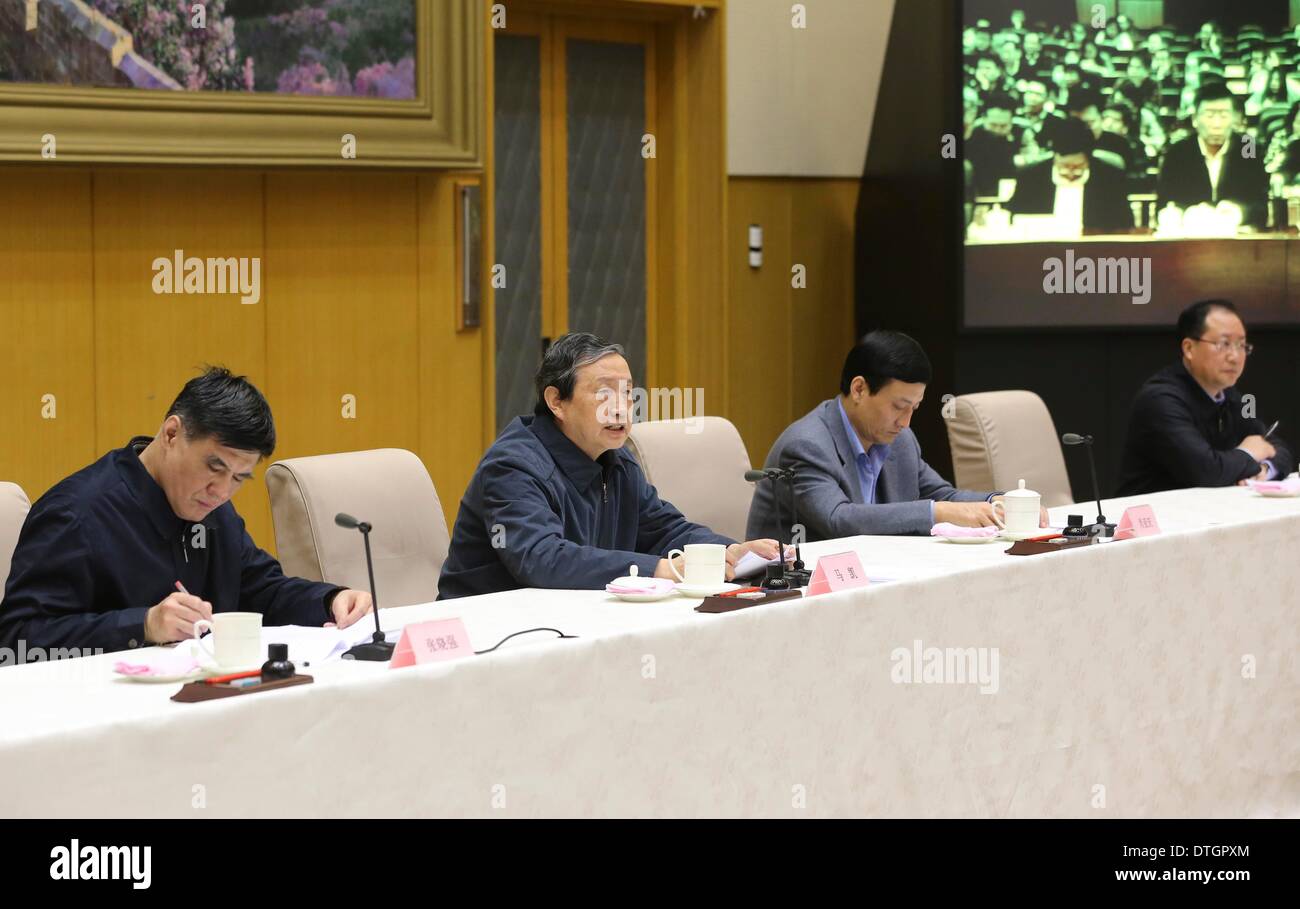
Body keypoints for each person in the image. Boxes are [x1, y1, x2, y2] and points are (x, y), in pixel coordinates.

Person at [0, 368, 374, 660]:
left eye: (239, 478)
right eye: (214, 467)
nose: (223, 491)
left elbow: (261, 590)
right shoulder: (76, 514)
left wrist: (329, 600)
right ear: (171, 433)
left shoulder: (215, 510)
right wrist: (143, 625)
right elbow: (17, 640)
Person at [438, 332, 778, 598]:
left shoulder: (615, 460)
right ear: (556, 401)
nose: (621, 408)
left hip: (568, 620)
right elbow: (543, 560)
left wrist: (728, 552)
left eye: (628, 394)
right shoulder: (512, 466)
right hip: (486, 633)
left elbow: (664, 529)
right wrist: (660, 569)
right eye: (604, 394)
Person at [746, 332, 1045, 541]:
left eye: (915, 408)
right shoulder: (807, 446)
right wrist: (938, 514)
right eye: (899, 407)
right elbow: (839, 520)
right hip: (793, 594)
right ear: (859, 389)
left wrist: (1001, 501)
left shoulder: (900, 440)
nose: (906, 422)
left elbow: (943, 495)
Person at [1117, 300, 1294, 496]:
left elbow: (1275, 445)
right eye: (1223, 344)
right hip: (1153, 521)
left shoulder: (1234, 398)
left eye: (1242, 345)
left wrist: (1266, 470)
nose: (1235, 356)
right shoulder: (1161, 399)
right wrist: (1248, 454)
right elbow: (1207, 471)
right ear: (1189, 348)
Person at [1157, 83, 1269, 226]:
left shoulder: (1248, 147)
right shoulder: (1177, 151)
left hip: (1236, 236)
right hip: (1190, 237)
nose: (1217, 124)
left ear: (1234, 118)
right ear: (1195, 119)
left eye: (1224, 115)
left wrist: (1238, 213)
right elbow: (1165, 204)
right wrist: (1179, 215)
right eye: (1209, 116)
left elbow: (1260, 205)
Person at [1008, 117, 1133, 233]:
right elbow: (1014, 218)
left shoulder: (1110, 177)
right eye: (1064, 165)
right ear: (1054, 157)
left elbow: (1124, 224)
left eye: (1078, 166)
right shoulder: (1030, 176)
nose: (1070, 172)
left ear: (1089, 159)